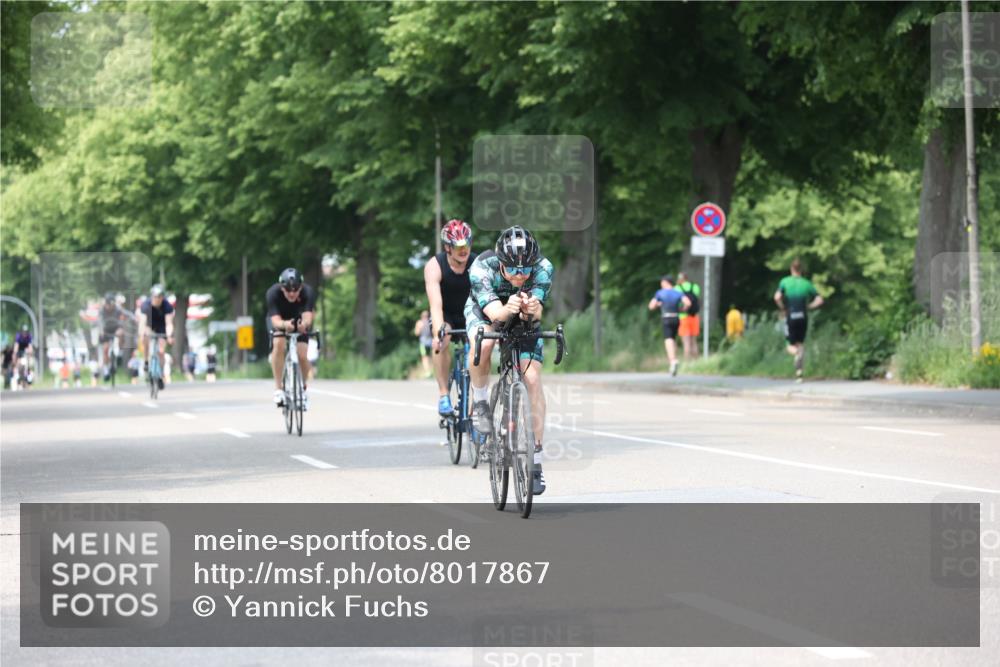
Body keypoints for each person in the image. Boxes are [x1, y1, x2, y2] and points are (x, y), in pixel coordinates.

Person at [465, 225, 554, 496]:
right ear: (501, 263)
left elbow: (535, 314)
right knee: (487, 340)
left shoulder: (543, 268)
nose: (519, 275)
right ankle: (480, 402)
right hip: (485, 310)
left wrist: (529, 310)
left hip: (521, 313)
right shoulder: (481, 267)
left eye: (525, 269)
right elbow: (494, 314)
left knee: (533, 377)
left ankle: (535, 460)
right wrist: (507, 309)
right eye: (513, 270)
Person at [423, 219, 477, 415]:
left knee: (480, 347)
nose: (464, 250)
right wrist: (438, 334)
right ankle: (444, 394)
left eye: (467, 244)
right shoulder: (434, 266)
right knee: (442, 340)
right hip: (445, 313)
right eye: (459, 246)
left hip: (470, 312)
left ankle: (477, 399)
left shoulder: (477, 264)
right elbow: (435, 306)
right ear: (448, 247)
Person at [266, 267, 317, 408]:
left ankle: (303, 388)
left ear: (301, 287)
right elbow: (275, 321)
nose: (292, 293)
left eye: (296, 289)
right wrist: (284, 325)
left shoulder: (308, 292)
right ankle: (278, 389)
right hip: (280, 320)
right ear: (282, 288)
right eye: (288, 290)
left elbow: (308, 317)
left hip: (299, 321)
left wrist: (303, 325)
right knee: (279, 343)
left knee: (302, 354)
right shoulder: (273, 293)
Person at [773, 258, 824, 381]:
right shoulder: (806, 283)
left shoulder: (785, 281)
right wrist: (809, 306)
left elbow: (777, 297)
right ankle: (799, 373)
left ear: (791, 269)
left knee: (789, 345)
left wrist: (783, 308)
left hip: (790, 316)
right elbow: (820, 300)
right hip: (803, 316)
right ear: (801, 270)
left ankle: (796, 353)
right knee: (800, 343)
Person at [648, 275, 691, 376]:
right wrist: (682, 309)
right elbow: (688, 303)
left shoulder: (660, 293)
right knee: (673, 338)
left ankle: (673, 361)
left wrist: (658, 305)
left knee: (668, 339)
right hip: (676, 318)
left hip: (666, 318)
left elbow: (651, 306)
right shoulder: (678, 292)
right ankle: (674, 359)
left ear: (665, 283)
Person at [140, 284, 175, 392]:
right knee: (145, 338)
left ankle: (160, 374)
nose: (157, 299)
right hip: (149, 325)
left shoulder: (167, 306)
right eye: (155, 297)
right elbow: (143, 322)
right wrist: (141, 335)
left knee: (161, 351)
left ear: (162, 297)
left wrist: (169, 335)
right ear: (152, 296)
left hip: (161, 327)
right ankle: (146, 361)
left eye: (159, 297)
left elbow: (169, 323)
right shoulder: (146, 305)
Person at [97, 292, 128, 381]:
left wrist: (121, 327)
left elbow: (124, 317)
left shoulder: (118, 309)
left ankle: (120, 353)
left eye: (111, 304)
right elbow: (100, 321)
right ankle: (106, 369)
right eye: (108, 304)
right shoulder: (102, 310)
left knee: (121, 333)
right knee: (105, 349)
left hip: (115, 328)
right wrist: (101, 330)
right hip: (105, 330)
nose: (109, 306)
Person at [676, 272, 701, 361]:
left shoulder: (677, 288)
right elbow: (697, 297)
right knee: (694, 341)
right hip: (694, 316)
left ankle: (687, 363)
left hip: (683, 317)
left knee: (686, 342)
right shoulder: (695, 287)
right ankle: (696, 363)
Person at [414, 310, 433, 378]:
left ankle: (428, 371)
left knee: (424, 357)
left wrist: (420, 328)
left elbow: (416, 333)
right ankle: (431, 370)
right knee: (431, 356)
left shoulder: (419, 323)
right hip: (431, 341)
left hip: (423, 342)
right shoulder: (431, 322)